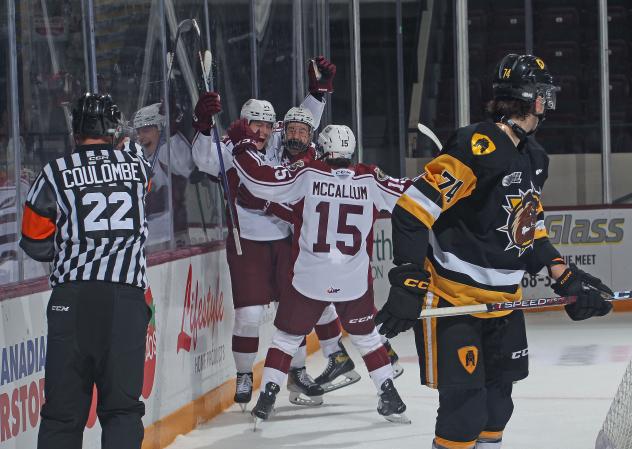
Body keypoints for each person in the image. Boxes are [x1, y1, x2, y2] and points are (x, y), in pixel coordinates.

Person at [375, 54, 613, 449]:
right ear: (531, 98)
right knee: (463, 415)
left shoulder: (535, 157)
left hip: (504, 305)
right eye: (544, 95)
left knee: (497, 410)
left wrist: (564, 275)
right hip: (455, 301)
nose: (548, 103)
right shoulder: (477, 146)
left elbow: (529, 227)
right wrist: (408, 275)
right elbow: (413, 209)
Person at [229, 122, 412, 425]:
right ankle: (390, 396)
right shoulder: (368, 178)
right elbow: (410, 193)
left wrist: (242, 147)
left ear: (323, 148)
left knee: (286, 339)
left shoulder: (307, 173)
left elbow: (261, 180)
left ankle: (266, 399)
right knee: (367, 339)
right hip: (352, 281)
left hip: (309, 279)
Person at [191, 56, 334, 408]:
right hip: (248, 244)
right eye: (255, 124)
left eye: (268, 126)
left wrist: (318, 93)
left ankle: (297, 375)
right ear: (243, 123)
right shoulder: (230, 145)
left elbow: (304, 122)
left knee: (293, 311)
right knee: (249, 316)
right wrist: (204, 124)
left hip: (286, 241)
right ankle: (243, 375)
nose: (262, 131)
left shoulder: (274, 142)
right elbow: (203, 159)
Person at [20, 93, 152, 449]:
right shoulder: (139, 168)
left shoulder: (54, 172)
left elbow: (33, 240)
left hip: (73, 301)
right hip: (125, 302)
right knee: (122, 412)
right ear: (113, 129)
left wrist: (68, 249)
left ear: (75, 130)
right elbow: (145, 185)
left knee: (62, 416)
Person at [133, 101, 195, 247]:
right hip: (149, 238)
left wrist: (172, 133)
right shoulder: (145, 157)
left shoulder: (165, 152)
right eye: (139, 131)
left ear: (161, 128)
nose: (141, 137)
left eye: (146, 130)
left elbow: (185, 165)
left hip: (170, 238)